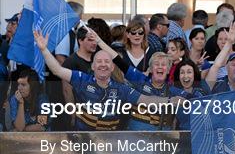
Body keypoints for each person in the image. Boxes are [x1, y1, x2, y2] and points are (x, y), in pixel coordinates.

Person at [34, 30, 184, 131]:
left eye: (107, 62)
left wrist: (170, 101)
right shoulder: (82, 80)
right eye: (99, 61)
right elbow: (57, 70)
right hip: (84, 142)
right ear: (92, 66)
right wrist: (44, 50)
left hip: (109, 144)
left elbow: (146, 99)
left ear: (113, 67)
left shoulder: (121, 88)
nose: (103, 64)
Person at [61, 27, 97, 128]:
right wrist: (72, 115)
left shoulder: (97, 60)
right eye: (90, 39)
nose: (94, 43)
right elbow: (66, 90)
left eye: (95, 39)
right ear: (80, 41)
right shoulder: (70, 62)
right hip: (79, 115)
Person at [172, 59, 209, 131]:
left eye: (189, 72)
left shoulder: (202, 88)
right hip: (182, 136)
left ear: (194, 74)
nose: (186, 76)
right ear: (178, 76)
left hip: (202, 135)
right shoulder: (173, 91)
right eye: (182, 72)